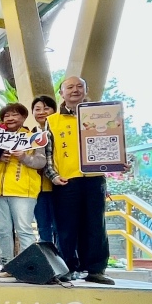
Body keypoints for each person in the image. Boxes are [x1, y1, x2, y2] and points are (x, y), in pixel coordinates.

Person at [44, 76, 118, 285]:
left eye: (79, 86)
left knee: (96, 225)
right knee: (65, 228)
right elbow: (48, 151)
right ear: (62, 93)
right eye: (70, 87)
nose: (75, 90)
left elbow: (114, 144)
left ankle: (95, 270)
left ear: (86, 91)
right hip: (66, 181)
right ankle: (66, 268)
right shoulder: (53, 120)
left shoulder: (101, 117)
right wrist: (53, 176)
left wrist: (119, 162)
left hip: (95, 179)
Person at [0, 103, 45, 275]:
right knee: (3, 231)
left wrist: (23, 157)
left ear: (23, 117)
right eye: (6, 116)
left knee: (24, 230)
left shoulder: (33, 138)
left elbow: (41, 162)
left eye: (15, 115)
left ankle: (28, 267)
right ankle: (7, 266)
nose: (10, 118)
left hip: (23, 191)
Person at [31, 95, 58, 247]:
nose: (41, 112)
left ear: (54, 110)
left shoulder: (60, 131)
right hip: (38, 188)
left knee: (60, 226)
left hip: (59, 186)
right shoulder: (31, 134)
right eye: (37, 109)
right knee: (43, 227)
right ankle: (47, 258)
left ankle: (65, 258)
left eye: (46, 108)